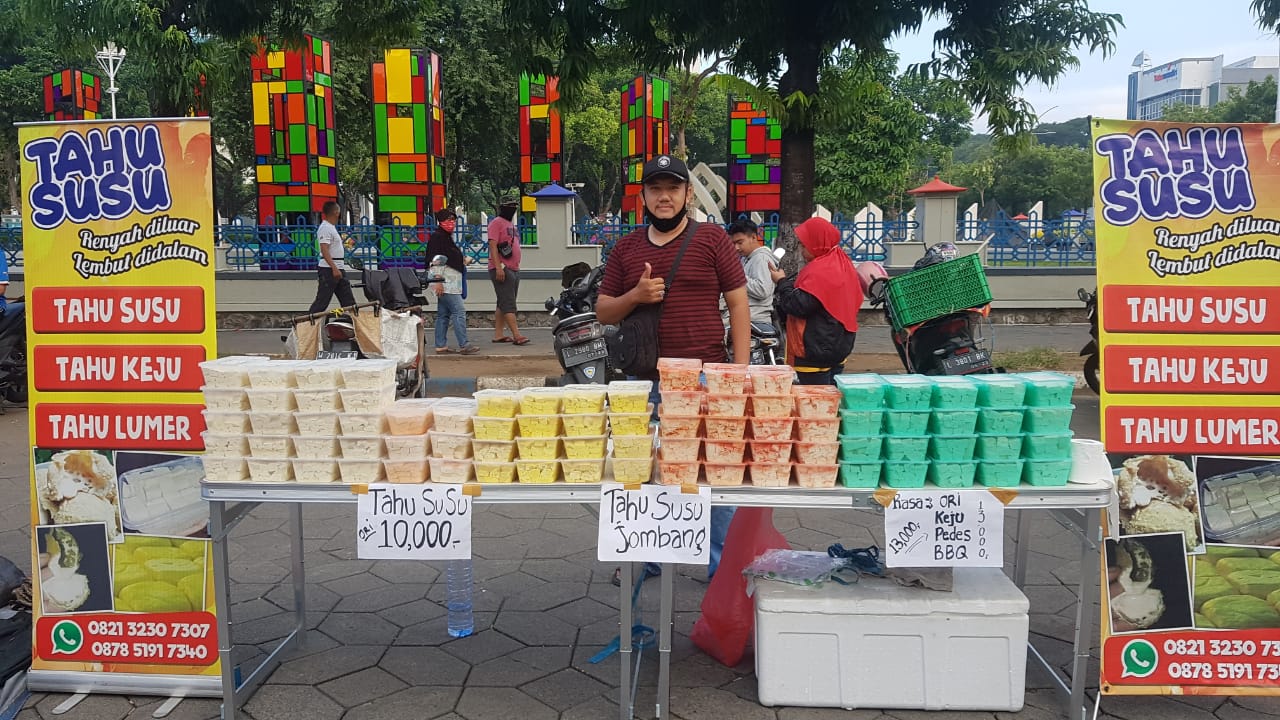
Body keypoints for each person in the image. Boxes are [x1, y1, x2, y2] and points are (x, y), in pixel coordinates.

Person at [596, 154, 749, 578]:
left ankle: (723, 567)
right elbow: (604, 311)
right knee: (641, 469)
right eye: (655, 189)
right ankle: (646, 554)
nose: (664, 197)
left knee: (713, 472)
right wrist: (636, 296)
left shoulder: (713, 239)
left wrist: (737, 373)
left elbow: (738, 305)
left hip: (704, 378)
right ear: (643, 196)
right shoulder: (626, 248)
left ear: (686, 195)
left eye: (673, 189)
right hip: (643, 383)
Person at [773, 217, 861, 385]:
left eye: (804, 245)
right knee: (831, 400)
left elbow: (799, 305)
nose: (800, 249)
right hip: (837, 346)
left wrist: (782, 282)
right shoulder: (841, 262)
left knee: (816, 402)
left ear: (817, 244)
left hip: (815, 350)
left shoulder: (822, 270)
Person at [426, 208, 479, 355]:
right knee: (459, 310)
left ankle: (440, 345)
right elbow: (435, 260)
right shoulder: (438, 237)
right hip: (445, 281)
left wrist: (462, 261)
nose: (451, 223)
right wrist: (438, 281)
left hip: (451, 280)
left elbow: (448, 256)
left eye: (453, 220)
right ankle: (464, 344)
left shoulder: (446, 237)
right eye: (448, 220)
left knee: (443, 314)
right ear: (441, 221)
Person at [488, 197, 530, 345]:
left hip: (513, 268)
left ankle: (498, 334)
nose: (512, 208)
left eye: (514, 206)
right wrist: (498, 267)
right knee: (509, 303)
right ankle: (517, 334)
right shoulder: (496, 223)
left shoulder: (511, 224)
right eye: (509, 206)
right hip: (502, 268)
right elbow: (493, 246)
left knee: (502, 302)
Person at [728, 219, 779, 327]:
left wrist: (737, 277)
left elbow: (763, 290)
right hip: (747, 318)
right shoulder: (746, 258)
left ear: (754, 237)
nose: (736, 248)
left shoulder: (761, 258)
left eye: (740, 242)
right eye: (733, 243)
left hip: (756, 321)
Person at [308, 200, 356, 314]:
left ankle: (354, 325)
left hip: (338, 268)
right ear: (336, 212)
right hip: (329, 269)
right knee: (322, 302)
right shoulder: (325, 228)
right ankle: (306, 326)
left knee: (348, 301)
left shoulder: (331, 227)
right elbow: (324, 250)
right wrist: (334, 268)